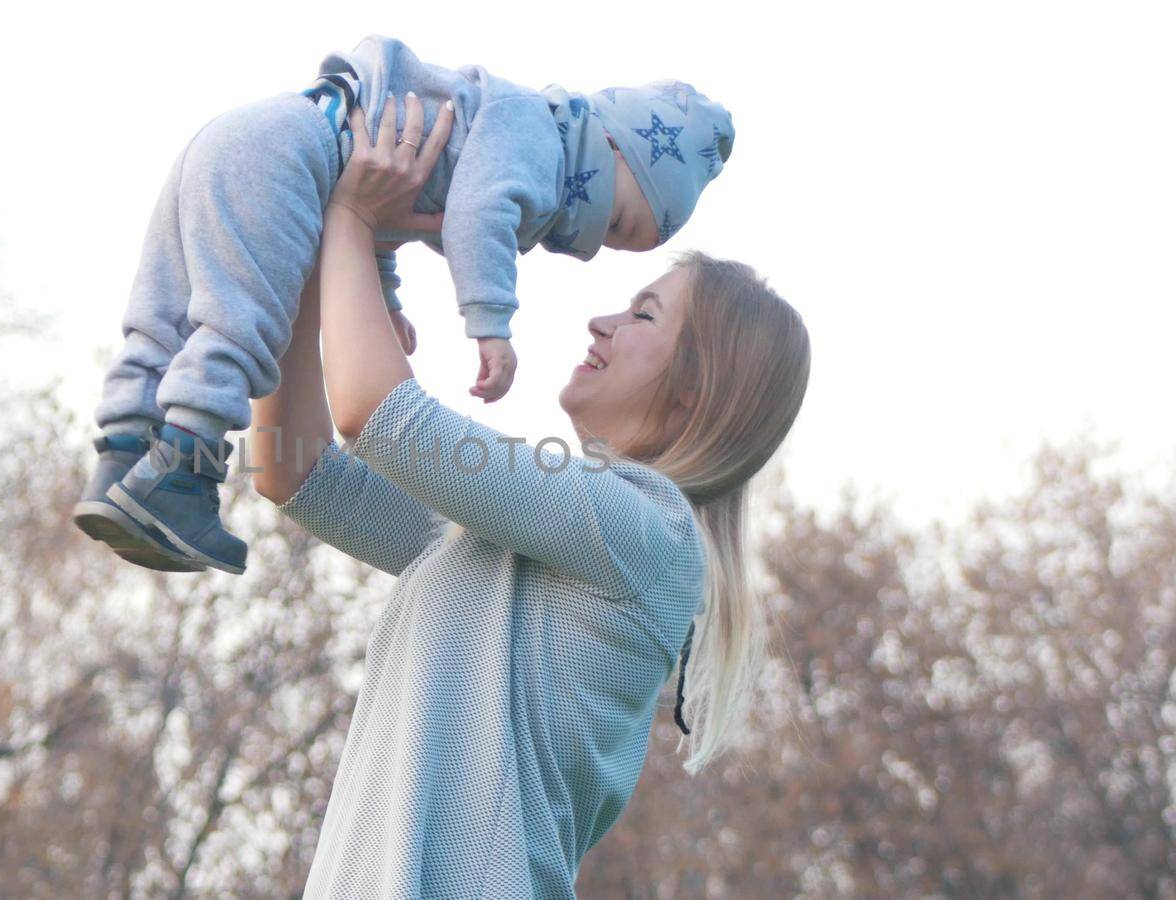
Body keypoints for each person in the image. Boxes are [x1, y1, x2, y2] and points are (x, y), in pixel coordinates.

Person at [250, 95, 808, 896]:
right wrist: (310, 262)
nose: (601, 323)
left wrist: (349, 215)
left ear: (694, 390)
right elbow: (294, 473)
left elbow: (378, 417)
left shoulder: (647, 532)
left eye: (643, 313)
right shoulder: (507, 542)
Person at [74, 33, 734, 575]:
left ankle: (123, 457)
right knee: (235, 329)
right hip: (291, 157)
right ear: (611, 145)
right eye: (616, 221)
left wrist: (365, 262)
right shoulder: (533, 132)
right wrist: (489, 322)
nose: (599, 308)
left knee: (163, 320)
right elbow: (474, 216)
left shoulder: (627, 540)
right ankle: (178, 478)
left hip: (259, 139)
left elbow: (298, 465)